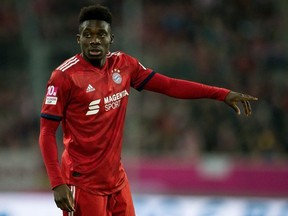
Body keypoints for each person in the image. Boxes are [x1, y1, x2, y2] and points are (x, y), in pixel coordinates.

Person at [39, 4, 258, 216]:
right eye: (88, 34)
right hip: (82, 183)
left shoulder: (124, 65)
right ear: (79, 39)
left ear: (110, 39)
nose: (94, 40)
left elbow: (170, 85)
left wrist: (221, 94)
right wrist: (57, 183)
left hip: (116, 181)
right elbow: (47, 132)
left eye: (101, 34)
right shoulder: (64, 77)